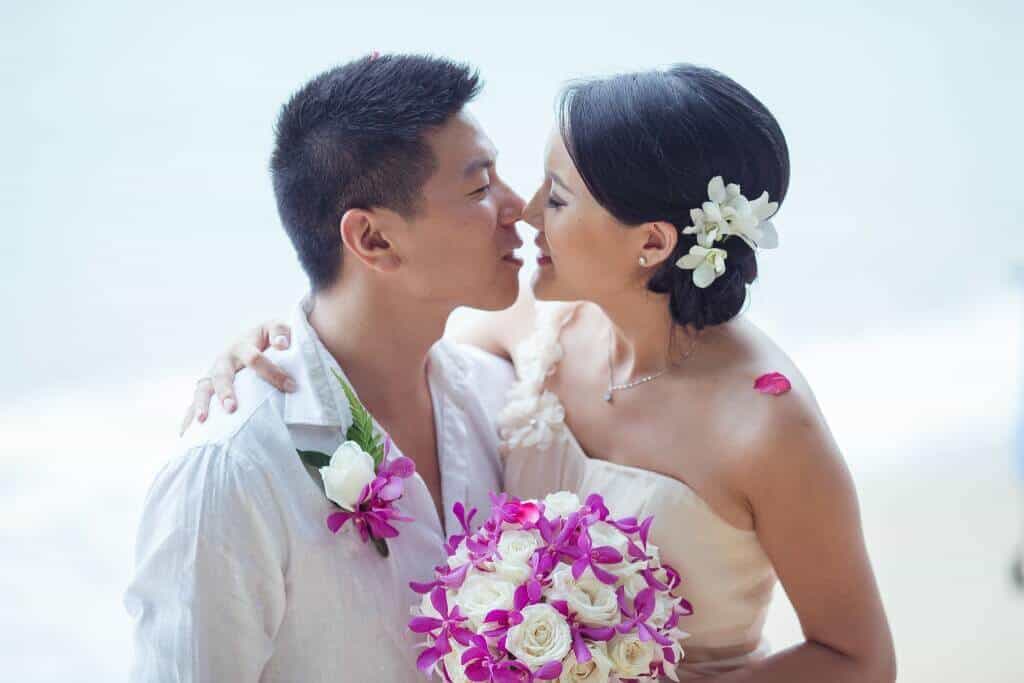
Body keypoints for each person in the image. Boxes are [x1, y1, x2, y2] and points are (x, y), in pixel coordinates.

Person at [187, 65, 897, 680]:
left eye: (556, 197)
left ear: (651, 242)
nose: (524, 212)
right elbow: (390, 346)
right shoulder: (527, 331)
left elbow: (858, 658)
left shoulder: (768, 424)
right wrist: (267, 346)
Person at [126, 53, 526, 681]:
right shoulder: (231, 469)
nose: (518, 206)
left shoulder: (503, 396)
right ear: (373, 240)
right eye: (479, 188)